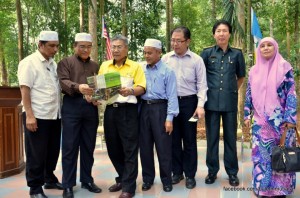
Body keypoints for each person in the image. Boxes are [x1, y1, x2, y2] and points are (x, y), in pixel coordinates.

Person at [244, 37, 297, 197]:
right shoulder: (253, 71)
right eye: (262, 46)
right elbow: (249, 94)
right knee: (261, 156)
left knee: (281, 154)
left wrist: (290, 118)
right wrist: (247, 114)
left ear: (275, 48)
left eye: (269, 45)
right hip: (260, 122)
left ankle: (280, 189)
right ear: (259, 50)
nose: (266, 48)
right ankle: (262, 188)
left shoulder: (285, 67)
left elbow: (291, 94)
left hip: (281, 122)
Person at [98, 35, 146, 198]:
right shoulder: (105, 66)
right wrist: (96, 97)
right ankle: (122, 177)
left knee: (130, 149)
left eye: (119, 47)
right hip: (110, 110)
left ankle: (129, 187)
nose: (116, 50)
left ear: (126, 49)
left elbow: (142, 87)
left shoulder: (135, 66)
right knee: (113, 148)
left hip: (128, 111)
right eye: (114, 47)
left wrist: (131, 90)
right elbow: (99, 89)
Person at [200, 20, 245, 186]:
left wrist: (231, 90)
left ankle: (232, 173)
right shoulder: (206, 53)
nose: (221, 34)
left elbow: (240, 77)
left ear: (229, 34)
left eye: (224, 30)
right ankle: (212, 172)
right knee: (211, 139)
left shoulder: (237, 54)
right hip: (211, 103)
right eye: (218, 31)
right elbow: (201, 77)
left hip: (230, 103)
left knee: (230, 139)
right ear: (214, 34)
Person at [161, 26, 208, 189]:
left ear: (188, 41)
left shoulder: (197, 60)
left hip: (190, 104)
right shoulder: (165, 59)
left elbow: (202, 85)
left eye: (178, 40)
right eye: (172, 40)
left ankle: (190, 175)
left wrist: (200, 106)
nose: (175, 44)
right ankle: (177, 172)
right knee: (172, 139)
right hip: (170, 104)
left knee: (189, 140)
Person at [17, 30, 62, 198]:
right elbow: (25, 90)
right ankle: (35, 188)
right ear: (40, 45)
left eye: (57, 46)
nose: (55, 49)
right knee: (36, 153)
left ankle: (49, 177)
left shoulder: (53, 64)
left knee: (52, 151)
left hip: (54, 115)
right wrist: (29, 115)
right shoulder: (29, 62)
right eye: (51, 46)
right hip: (37, 116)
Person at [57, 33, 101, 198]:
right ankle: (67, 185)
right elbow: (63, 82)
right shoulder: (65, 62)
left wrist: (97, 99)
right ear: (74, 46)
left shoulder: (95, 66)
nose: (85, 49)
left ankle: (87, 180)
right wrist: (78, 87)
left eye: (88, 46)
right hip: (71, 107)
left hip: (90, 109)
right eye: (81, 46)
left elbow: (98, 88)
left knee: (89, 146)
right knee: (69, 147)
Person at [139, 39, 179, 192]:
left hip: (160, 109)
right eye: (145, 52)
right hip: (143, 109)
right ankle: (148, 179)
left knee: (164, 148)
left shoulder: (167, 71)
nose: (146, 55)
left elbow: (172, 96)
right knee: (145, 147)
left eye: (149, 52)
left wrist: (169, 118)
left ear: (158, 53)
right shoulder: (141, 68)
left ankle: (166, 180)